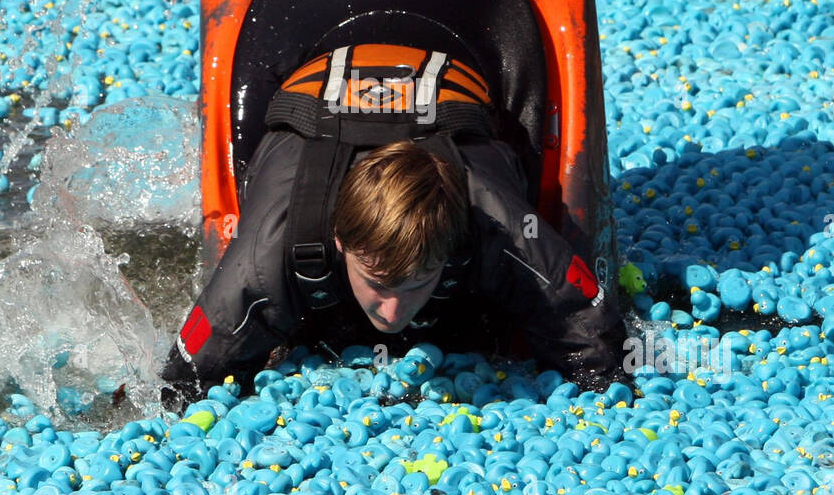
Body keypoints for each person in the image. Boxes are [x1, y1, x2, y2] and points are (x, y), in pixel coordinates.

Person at [160, 44, 633, 410]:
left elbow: (598, 343)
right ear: (340, 242)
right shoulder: (267, 255)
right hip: (308, 94)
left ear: (450, 250)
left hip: (455, 89)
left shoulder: (499, 229)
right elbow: (182, 382)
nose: (391, 312)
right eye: (379, 283)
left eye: (417, 283)